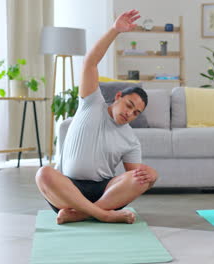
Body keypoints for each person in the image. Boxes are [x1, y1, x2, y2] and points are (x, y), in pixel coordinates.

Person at [35, 9, 157, 225]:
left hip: (104, 192)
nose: (130, 113)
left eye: (136, 113)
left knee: (146, 174)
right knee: (43, 174)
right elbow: (90, 63)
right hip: (67, 190)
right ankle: (102, 214)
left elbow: (133, 179)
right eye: (129, 105)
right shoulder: (92, 102)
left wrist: (151, 178)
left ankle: (82, 213)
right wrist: (114, 30)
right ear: (118, 97)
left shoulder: (130, 139)